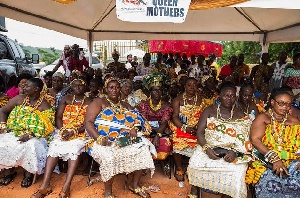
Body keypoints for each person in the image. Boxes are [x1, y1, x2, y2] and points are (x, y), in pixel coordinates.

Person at [85, 78, 155, 198]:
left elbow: (139, 119)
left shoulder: (125, 104)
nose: (114, 90)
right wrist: (99, 138)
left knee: (143, 148)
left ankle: (134, 184)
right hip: (100, 139)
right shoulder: (98, 102)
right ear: (106, 89)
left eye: (117, 87)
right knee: (108, 156)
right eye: (111, 87)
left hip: (122, 139)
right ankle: (108, 192)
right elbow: (88, 122)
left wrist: (135, 128)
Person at [187, 81, 252, 198]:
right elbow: (200, 133)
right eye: (226, 96)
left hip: (232, 151)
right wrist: (207, 149)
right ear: (219, 97)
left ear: (236, 98)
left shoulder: (241, 115)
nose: (229, 99)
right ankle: (194, 189)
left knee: (238, 171)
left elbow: (245, 140)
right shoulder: (209, 110)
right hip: (208, 147)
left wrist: (235, 152)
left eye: (232, 96)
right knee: (195, 164)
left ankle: (227, 193)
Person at [31, 79, 92, 198]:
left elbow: (88, 122)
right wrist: (62, 130)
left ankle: (66, 186)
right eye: (75, 85)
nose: (78, 87)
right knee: (54, 147)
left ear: (85, 87)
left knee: (74, 148)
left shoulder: (90, 102)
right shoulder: (66, 99)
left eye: (81, 85)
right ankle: (45, 185)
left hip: (80, 133)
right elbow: (58, 117)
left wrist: (73, 131)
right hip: (63, 131)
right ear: (71, 87)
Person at [0, 78, 55, 188]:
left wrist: (30, 134)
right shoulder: (18, 99)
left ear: (36, 89)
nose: (24, 87)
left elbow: (48, 127)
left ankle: (28, 173)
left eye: (28, 86)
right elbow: (2, 111)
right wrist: (3, 126)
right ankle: (8, 171)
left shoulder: (45, 105)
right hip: (14, 131)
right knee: (3, 142)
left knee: (31, 145)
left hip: (36, 135)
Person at [246, 88, 300, 197]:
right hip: (267, 159)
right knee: (269, 181)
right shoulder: (263, 118)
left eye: (288, 104)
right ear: (272, 102)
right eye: (281, 103)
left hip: (292, 159)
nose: (285, 107)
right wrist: (275, 159)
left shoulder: (294, 121)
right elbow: (255, 140)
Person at [169, 77, 206, 182]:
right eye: (189, 85)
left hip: (197, 128)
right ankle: (179, 168)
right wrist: (185, 128)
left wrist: (198, 127)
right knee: (177, 139)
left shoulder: (201, 100)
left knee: (202, 141)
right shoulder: (178, 99)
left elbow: (205, 116)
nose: (192, 87)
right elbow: (174, 117)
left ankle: (193, 168)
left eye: (194, 85)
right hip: (182, 126)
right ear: (185, 86)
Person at [138, 74, 173, 172]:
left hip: (160, 130)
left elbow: (164, 121)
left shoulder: (166, 105)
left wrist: (158, 134)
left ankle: (162, 161)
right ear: (150, 92)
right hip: (147, 129)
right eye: (155, 90)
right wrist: (158, 130)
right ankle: (146, 163)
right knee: (141, 140)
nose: (158, 92)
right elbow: (144, 121)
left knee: (165, 141)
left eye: (159, 90)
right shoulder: (144, 104)